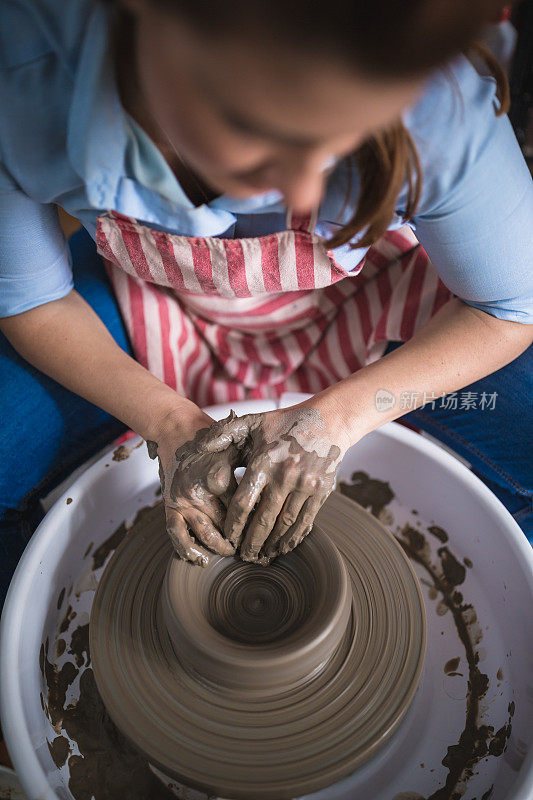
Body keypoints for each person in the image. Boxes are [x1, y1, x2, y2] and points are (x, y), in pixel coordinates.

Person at [1, 0, 532, 601]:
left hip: (365, 304)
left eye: (336, 142)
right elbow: (34, 302)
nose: (306, 187)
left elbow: (508, 306)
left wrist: (337, 418)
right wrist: (169, 423)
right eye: (263, 132)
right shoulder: (20, 83)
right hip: (152, 304)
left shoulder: (432, 96)